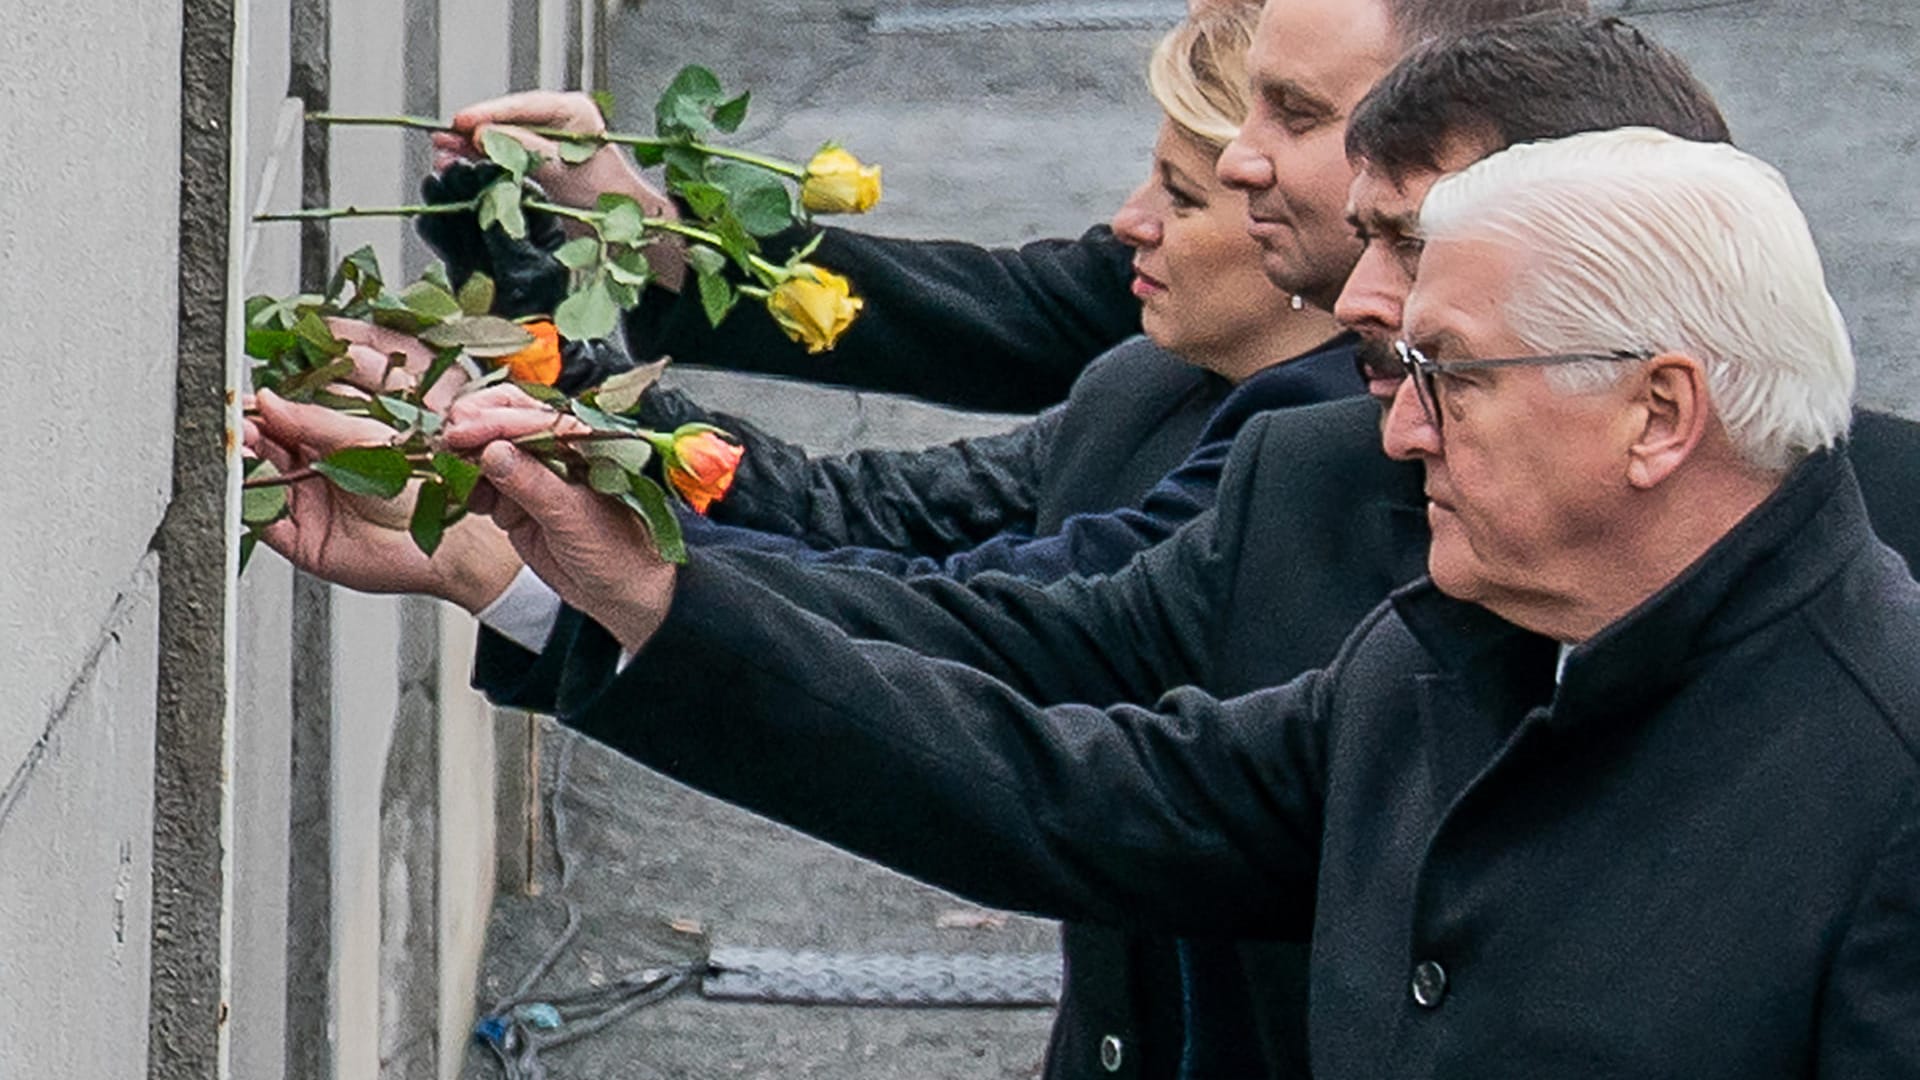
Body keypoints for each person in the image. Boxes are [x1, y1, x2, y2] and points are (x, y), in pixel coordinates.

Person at [442, 127, 1920, 1077]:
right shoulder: (1442, 658)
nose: (1397, 429)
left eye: (1446, 377)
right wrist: (585, 593)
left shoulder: (1886, 767)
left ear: (1660, 413)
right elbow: (1060, 790)